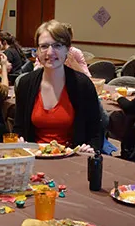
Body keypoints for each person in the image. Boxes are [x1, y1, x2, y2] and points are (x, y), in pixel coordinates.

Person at [14, 20, 103, 153]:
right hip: (35, 157)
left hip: (73, 158)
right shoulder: (26, 83)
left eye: (57, 45)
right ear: (37, 51)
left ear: (67, 49)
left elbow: (96, 133)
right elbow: (19, 128)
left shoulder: (82, 84)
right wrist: (19, 141)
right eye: (44, 46)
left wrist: (90, 148)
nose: (50, 52)